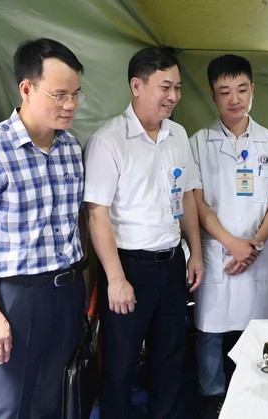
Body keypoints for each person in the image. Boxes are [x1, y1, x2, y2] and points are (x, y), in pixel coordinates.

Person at [0, 38, 88, 418]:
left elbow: (76, 225)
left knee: (55, 400)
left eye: (75, 94)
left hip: (67, 291)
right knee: (9, 405)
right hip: (18, 297)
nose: (70, 105)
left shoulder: (71, 149)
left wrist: (84, 292)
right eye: (59, 95)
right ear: (26, 89)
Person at [83, 46, 204, 418]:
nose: (173, 96)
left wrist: (195, 253)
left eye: (178, 88)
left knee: (169, 357)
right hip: (129, 267)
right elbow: (97, 215)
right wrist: (115, 279)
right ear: (136, 86)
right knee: (119, 362)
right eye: (165, 87)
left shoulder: (178, 135)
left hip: (172, 262)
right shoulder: (109, 140)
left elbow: (187, 196)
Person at [189, 54, 268, 416]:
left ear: (253, 90)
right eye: (224, 92)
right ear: (212, 95)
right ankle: (213, 396)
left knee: (262, 327)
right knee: (209, 331)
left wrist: (254, 245)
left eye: (241, 89)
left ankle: (261, 393)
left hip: (258, 253)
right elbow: (198, 203)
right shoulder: (198, 143)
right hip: (218, 251)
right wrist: (232, 244)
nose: (234, 99)